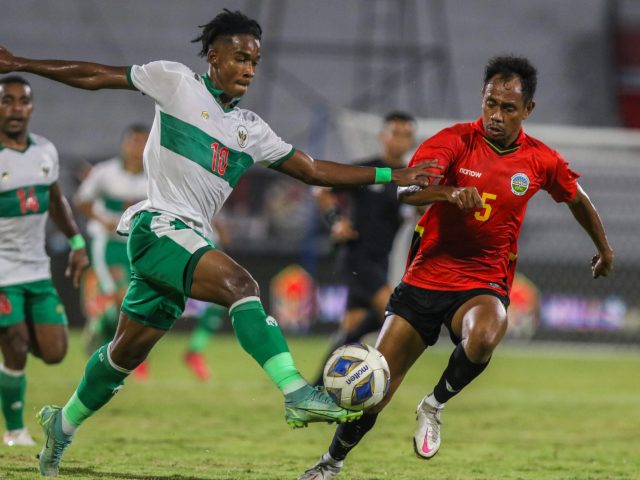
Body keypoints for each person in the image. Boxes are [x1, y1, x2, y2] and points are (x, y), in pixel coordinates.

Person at [0, 9, 440, 476]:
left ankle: (60, 427)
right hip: (159, 227)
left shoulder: (251, 129)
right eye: (240, 58)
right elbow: (96, 75)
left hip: (187, 240)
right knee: (241, 285)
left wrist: (393, 175)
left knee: (122, 355)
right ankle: (296, 393)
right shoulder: (174, 83)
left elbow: (313, 170)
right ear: (214, 56)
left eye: (255, 61)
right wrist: (22, 61)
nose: (250, 68)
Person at [298, 55, 614, 479]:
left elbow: (577, 198)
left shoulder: (541, 161)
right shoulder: (453, 142)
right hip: (426, 277)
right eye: (490, 104)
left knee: (486, 333)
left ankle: (434, 404)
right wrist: (447, 193)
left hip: (483, 279)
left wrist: (604, 248)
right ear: (482, 99)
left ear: (528, 110)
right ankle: (330, 463)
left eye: (508, 108)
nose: (496, 115)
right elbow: (407, 192)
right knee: (378, 389)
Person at [76, 128, 226, 382]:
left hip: (144, 245)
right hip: (111, 246)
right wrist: (101, 220)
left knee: (149, 301)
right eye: (132, 141)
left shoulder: (159, 175)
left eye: (143, 142)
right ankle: (117, 345)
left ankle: (112, 338)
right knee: (122, 301)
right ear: (123, 144)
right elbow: (82, 201)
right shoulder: (105, 173)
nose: (137, 148)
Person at [0, 75, 88, 447]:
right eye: (7, 101)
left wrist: (77, 241)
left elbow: (55, 201)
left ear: (32, 108)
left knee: (55, 352)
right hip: (2, 272)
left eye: (23, 101)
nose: (16, 108)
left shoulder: (45, 151)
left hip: (37, 270)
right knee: (17, 346)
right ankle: (15, 431)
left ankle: (10, 335)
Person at [311, 111, 417, 386]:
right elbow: (321, 190)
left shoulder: (409, 180)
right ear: (383, 136)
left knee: (350, 332)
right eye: (396, 133)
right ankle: (375, 383)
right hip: (357, 258)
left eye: (407, 135)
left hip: (380, 262)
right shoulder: (369, 171)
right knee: (398, 314)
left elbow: (421, 210)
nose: (401, 140)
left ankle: (315, 390)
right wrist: (336, 222)